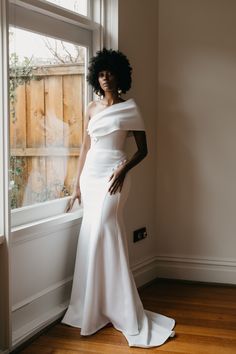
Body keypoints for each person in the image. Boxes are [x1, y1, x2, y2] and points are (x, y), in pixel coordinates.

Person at [61, 48, 176, 348]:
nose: (106, 78)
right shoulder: (90, 108)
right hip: (91, 176)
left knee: (105, 232)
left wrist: (123, 169)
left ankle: (121, 307)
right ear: (96, 78)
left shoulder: (130, 109)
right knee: (92, 237)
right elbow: (85, 149)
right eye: (101, 73)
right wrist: (76, 185)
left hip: (115, 174)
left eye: (110, 72)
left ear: (119, 75)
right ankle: (93, 307)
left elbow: (143, 150)